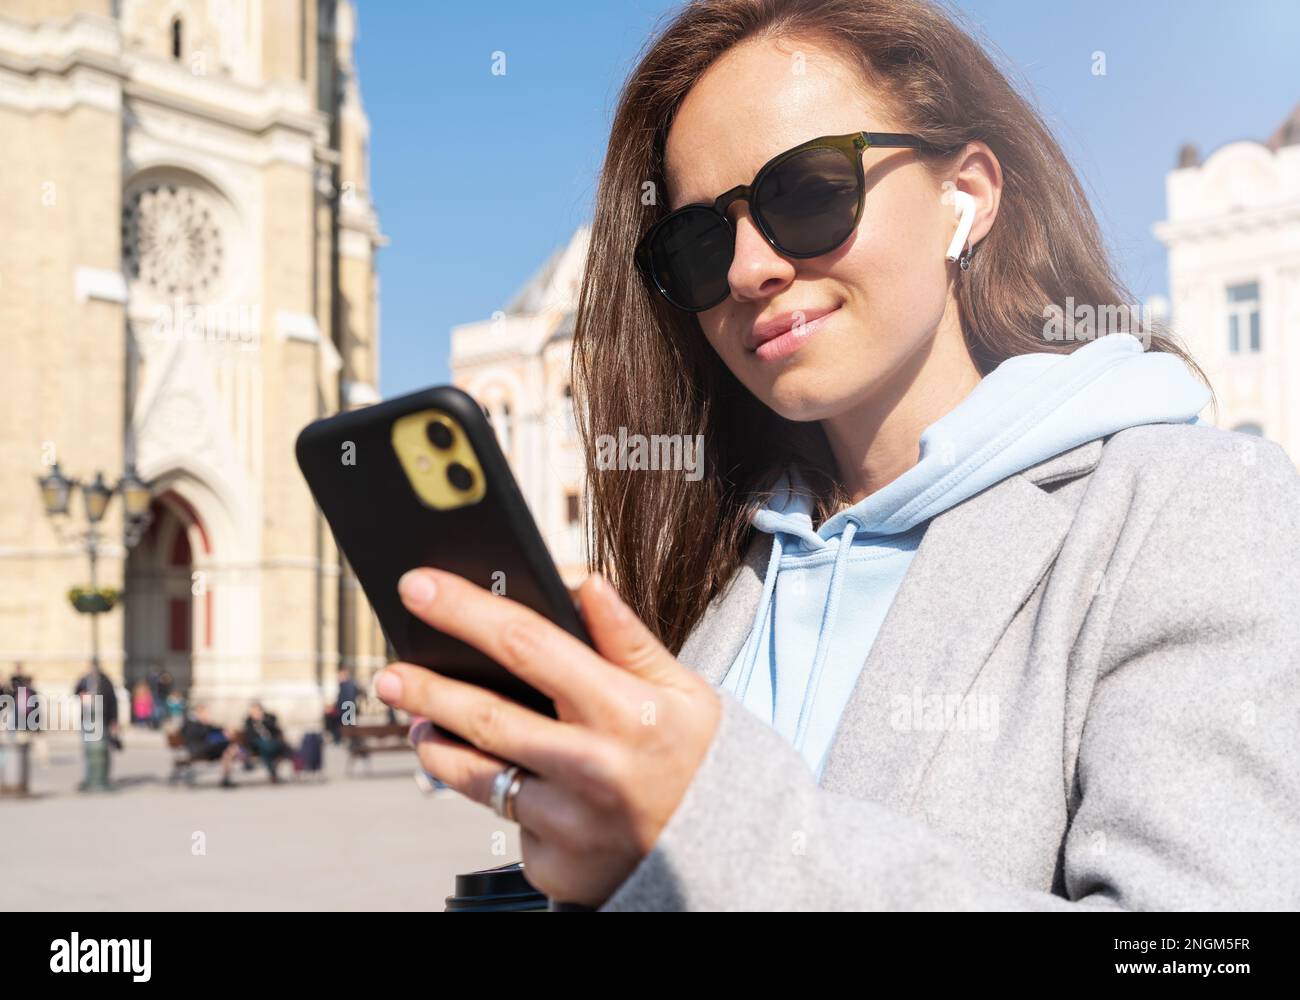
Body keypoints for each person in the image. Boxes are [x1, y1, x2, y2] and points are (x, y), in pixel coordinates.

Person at [371, 0, 1300, 910]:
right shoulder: (735, 560)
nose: (748, 269)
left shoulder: (1189, 508)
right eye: (698, 242)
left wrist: (715, 835)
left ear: (964, 196)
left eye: (807, 193)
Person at [73, 666, 119, 792]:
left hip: (103, 720)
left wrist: (114, 720)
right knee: (89, 751)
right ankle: (89, 777)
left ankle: (103, 777)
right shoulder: (84, 680)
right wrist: (82, 695)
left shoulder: (105, 682)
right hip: (87, 719)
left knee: (102, 751)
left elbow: (112, 701)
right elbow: (76, 691)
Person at [180, 704, 241, 789]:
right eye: (205, 713)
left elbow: (215, 729)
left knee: (227, 753)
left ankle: (226, 778)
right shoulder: (192, 724)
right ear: (199, 713)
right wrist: (204, 724)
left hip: (207, 749)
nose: (207, 715)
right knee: (227, 747)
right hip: (198, 750)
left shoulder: (202, 724)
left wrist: (225, 731)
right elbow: (198, 735)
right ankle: (240, 755)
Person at [241, 701, 292, 783]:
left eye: (257, 710)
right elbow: (250, 736)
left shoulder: (270, 718)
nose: (255, 713)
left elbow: (274, 728)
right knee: (264, 747)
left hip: (273, 742)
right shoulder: (249, 722)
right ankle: (273, 774)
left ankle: (273, 774)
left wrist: (262, 720)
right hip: (257, 744)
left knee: (267, 750)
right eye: (253, 711)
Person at [325, 666, 359, 745]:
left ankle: (337, 738)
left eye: (339, 675)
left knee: (331, 719)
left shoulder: (346, 685)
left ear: (344, 675)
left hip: (346, 711)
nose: (338, 677)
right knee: (332, 718)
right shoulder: (349, 684)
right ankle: (338, 738)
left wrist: (335, 709)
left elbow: (345, 700)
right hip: (348, 710)